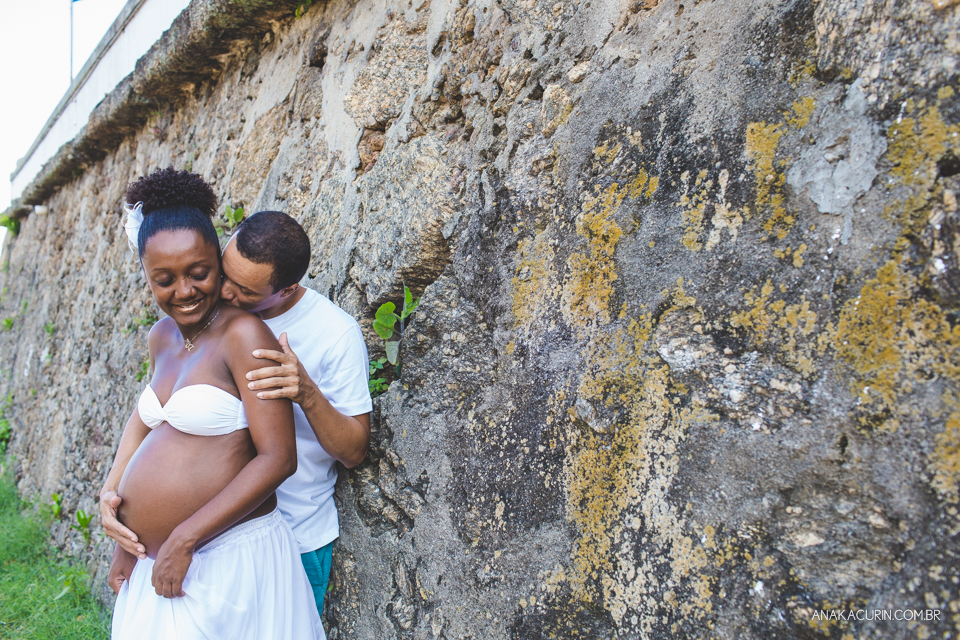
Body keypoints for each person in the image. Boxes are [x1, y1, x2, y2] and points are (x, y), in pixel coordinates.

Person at [102, 209, 373, 619]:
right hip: (200, 542)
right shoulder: (200, 324)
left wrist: (306, 393)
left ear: (285, 290)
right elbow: (155, 422)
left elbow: (353, 451)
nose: (224, 292)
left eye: (243, 289)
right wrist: (124, 522)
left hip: (289, 530)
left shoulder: (334, 335)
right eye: (222, 273)